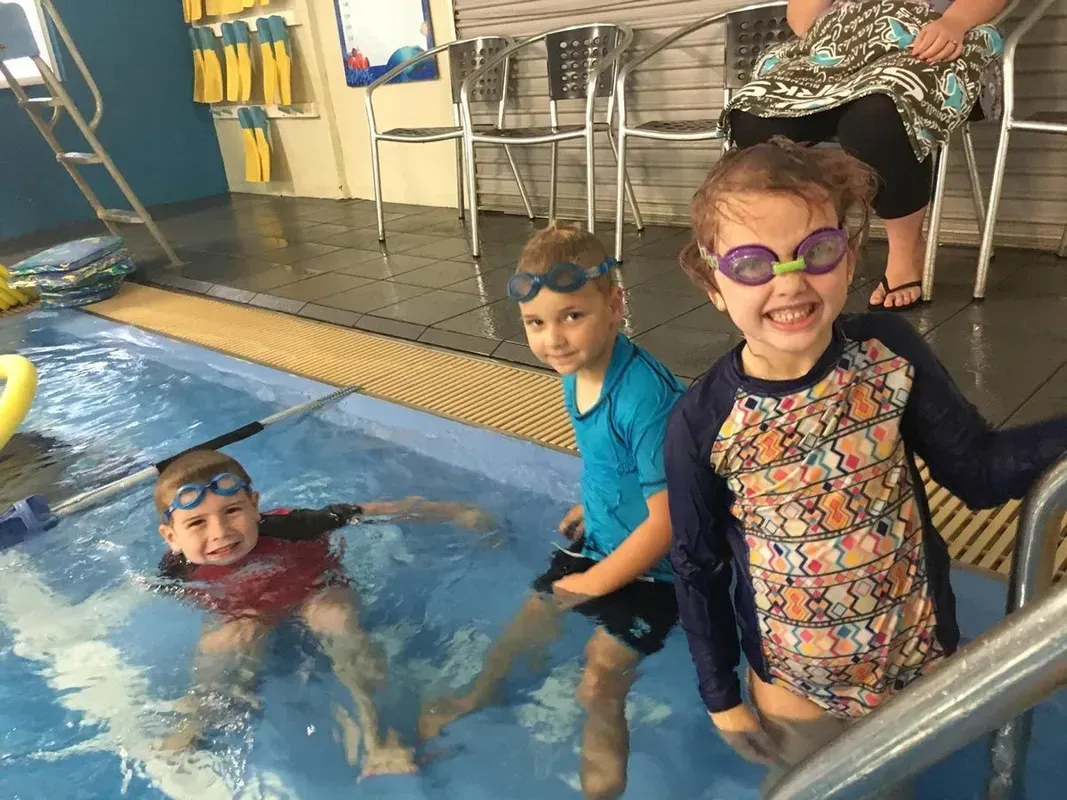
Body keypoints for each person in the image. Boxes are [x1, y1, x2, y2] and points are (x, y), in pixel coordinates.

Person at [664, 139, 1067, 797]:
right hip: (794, 694)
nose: (788, 282)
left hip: (907, 672)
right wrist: (719, 696)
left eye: (815, 252)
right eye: (750, 264)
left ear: (849, 257)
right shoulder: (701, 423)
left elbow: (976, 470)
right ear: (714, 285)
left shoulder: (886, 353)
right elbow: (697, 564)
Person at [419, 224, 684, 800]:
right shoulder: (574, 373)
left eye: (571, 316)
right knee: (528, 619)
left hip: (659, 569)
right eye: (536, 324)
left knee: (599, 681)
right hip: (604, 540)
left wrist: (592, 583)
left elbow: (670, 521)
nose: (553, 340)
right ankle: (480, 692)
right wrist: (591, 504)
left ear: (615, 306)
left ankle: (601, 790)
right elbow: (611, 465)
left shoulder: (643, 397)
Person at [154, 448, 492, 779]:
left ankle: (381, 734)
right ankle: (196, 719)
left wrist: (453, 512)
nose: (220, 532)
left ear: (255, 506)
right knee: (230, 638)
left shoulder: (294, 525)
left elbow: (374, 511)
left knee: (334, 617)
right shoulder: (176, 569)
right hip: (247, 613)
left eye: (232, 511)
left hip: (315, 591)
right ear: (171, 537)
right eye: (197, 522)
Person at [725, 0, 1006, 312]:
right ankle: (806, 236)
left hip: (929, 37)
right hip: (838, 50)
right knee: (753, 118)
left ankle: (906, 251)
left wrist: (955, 21)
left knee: (878, 119)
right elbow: (802, 20)